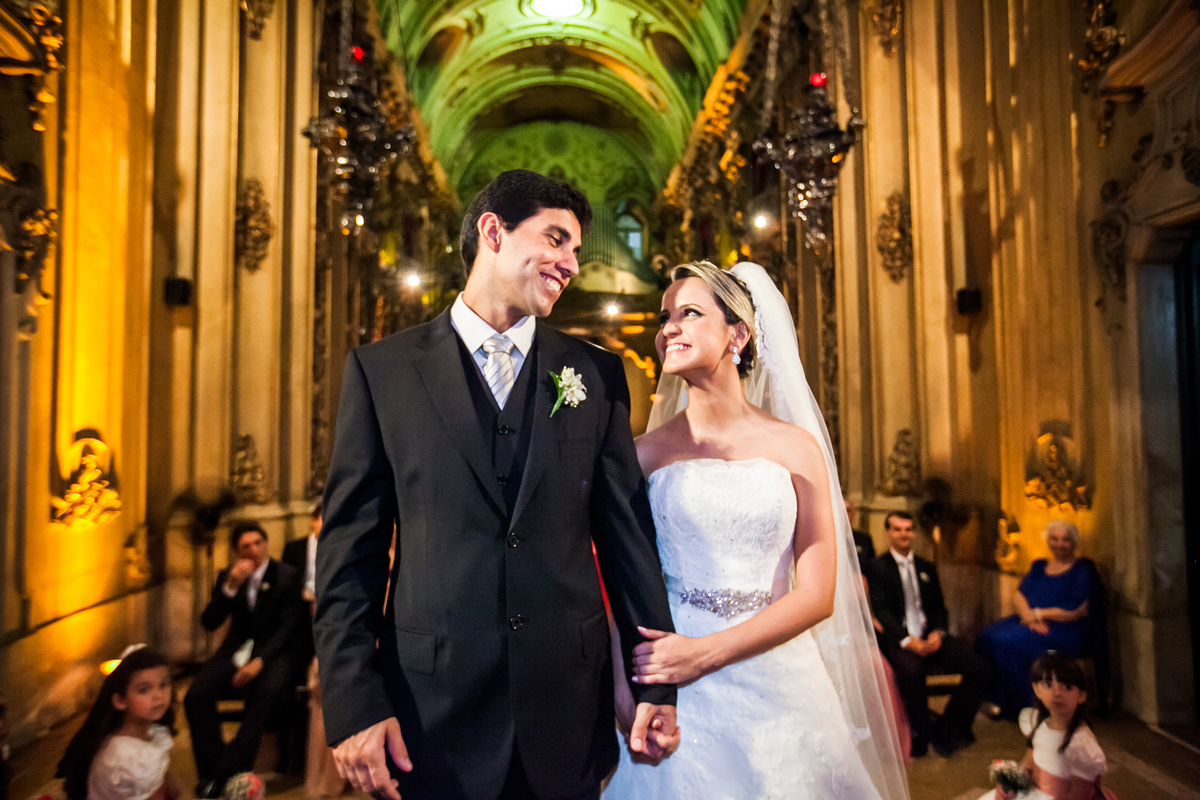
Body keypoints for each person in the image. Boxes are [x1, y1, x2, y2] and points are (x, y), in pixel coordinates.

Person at [316, 169, 678, 800]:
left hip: (567, 707)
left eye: (574, 249)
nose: (571, 263)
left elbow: (627, 543)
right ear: (493, 231)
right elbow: (352, 556)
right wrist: (355, 705)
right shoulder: (383, 373)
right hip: (430, 713)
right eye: (557, 239)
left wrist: (653, 686)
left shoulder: (595, 374)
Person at [604, 261, 909, 799]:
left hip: (778, 678)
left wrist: (705, 653)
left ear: (737, 335)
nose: (668, 328)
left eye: (690, 313)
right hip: (673, 679)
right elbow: (620, 586)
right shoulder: (641, 455)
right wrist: (624, 692)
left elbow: (816, 595)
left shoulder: (796, 448)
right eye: (665, 317)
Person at [184, 521, 302, 797]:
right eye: (246, 546)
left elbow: (289, 628)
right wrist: (230, 587)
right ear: (238, 552)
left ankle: (230, 770)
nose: (254, 550)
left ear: (266, 543)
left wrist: (260, 661)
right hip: (238, 649)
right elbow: (210, 621)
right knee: (196, 695)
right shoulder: (229, 576)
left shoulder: (287, 575)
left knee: (265, 693)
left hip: (276, 652)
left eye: (258, 543)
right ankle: (211, 772)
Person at [866, 510, 989, 757]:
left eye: (908, 529)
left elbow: (939, 609)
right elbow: (881, 611)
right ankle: (921, 733)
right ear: (888, 532)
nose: (904, 534)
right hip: (899, 641)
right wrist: (906, 640)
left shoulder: (926, 567)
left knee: (979, 667)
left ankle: (949, 729)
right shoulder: (877, 568)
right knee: (912, 671)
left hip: (929, 637)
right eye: (898, 529)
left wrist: (938, 633)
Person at [975, 521, 1107, 720]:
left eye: (1065, 539)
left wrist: (1038, 615)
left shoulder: (1083, 569)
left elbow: (1076, 611)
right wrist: (1029, 617)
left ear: (1074, 542)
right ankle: (993, 698)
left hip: (1066, 630)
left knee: (1008, 642)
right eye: (1054, 539)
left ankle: (1024, 705)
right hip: (1030, 621)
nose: (1059, 544)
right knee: (986, 637)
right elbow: (1019, 595)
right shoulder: (1039, 566)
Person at [978, 653, 1116, 800]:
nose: (1057, 693)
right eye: (1048, 685)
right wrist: (1010, 785)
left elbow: (1079, 794)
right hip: (1035, 791)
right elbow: (1028, 763)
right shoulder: (1037, 722)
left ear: (1081, 696)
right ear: (1037, 690)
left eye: (1067, 687)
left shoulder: (1080, 745)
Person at [57, 645, 178, 800]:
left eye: (163, 685)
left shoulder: (144, 733)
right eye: (144, 690)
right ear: (120, 701)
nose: (158, 696)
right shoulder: (129, 759)